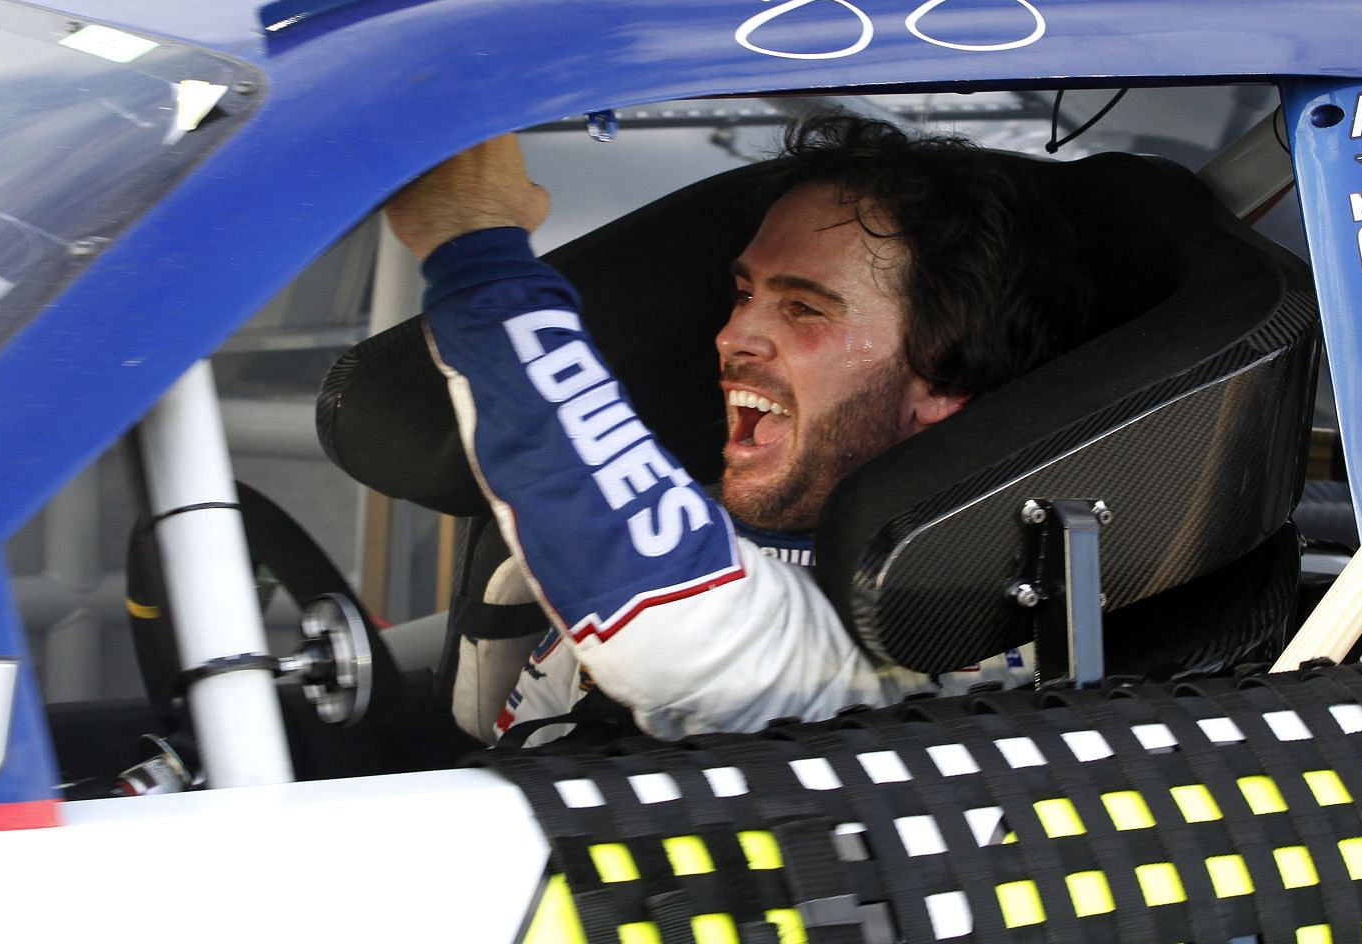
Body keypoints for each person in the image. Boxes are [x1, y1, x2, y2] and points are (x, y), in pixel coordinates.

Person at [385, 114, 1092, 744]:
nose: (732, 335)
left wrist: (475, 251)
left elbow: (675, 627)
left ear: (943, 377)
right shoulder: (684, 524)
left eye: (805, 309)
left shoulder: (941, 628)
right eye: (746, 293)